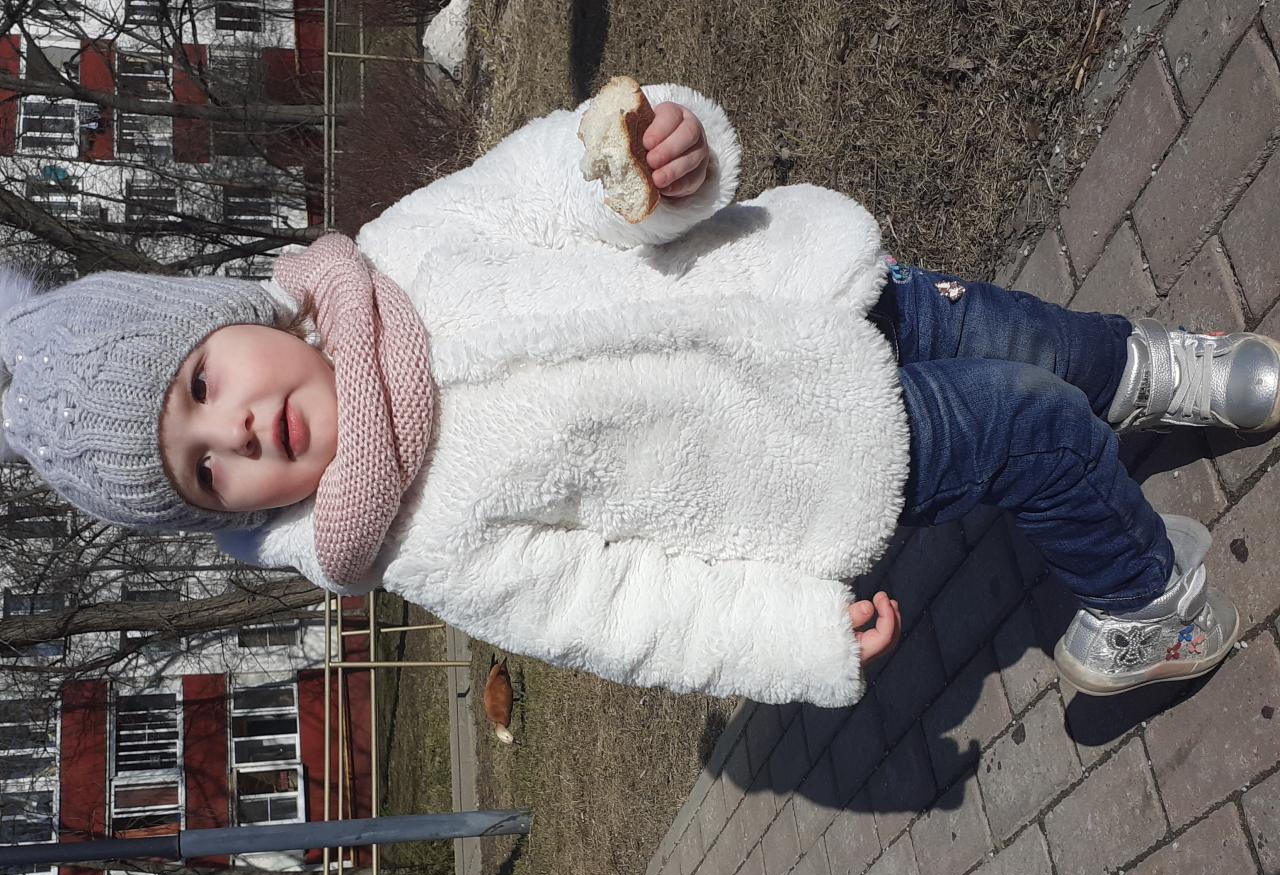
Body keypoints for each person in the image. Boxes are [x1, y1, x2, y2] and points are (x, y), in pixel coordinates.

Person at [1, 81, 1276, 708]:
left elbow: (550, 186)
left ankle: (1155, 372)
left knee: (1032, 340)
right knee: (1028, 425)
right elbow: (614, 609)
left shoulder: (399, 249)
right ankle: (1142, 607)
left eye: (203, 381)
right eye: (204, 465)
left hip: (809, 290)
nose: (234, 427)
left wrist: (656, 167)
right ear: (225, 514)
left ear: (233, 314)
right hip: (823, 448)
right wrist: (785, 639)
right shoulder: (412, 536)